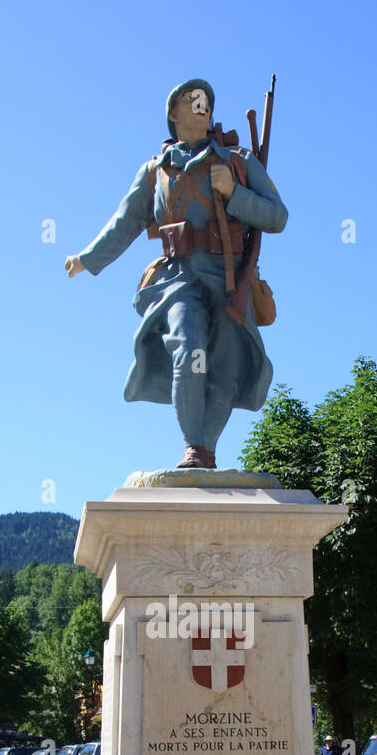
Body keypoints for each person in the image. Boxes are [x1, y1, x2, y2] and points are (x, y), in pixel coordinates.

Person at [64, 78, 287, 470]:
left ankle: (206, 452)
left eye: (207, 101)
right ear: (173, 114)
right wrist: (88, 257)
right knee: (189, 348)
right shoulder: (155, 172)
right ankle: (193, 446)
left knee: (229, 369)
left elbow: (277, 216)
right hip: (179, 277)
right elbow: (126, 222)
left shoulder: (237, 161)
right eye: (192, 99)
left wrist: (235, 193)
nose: (201, 105)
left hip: (229, 277)